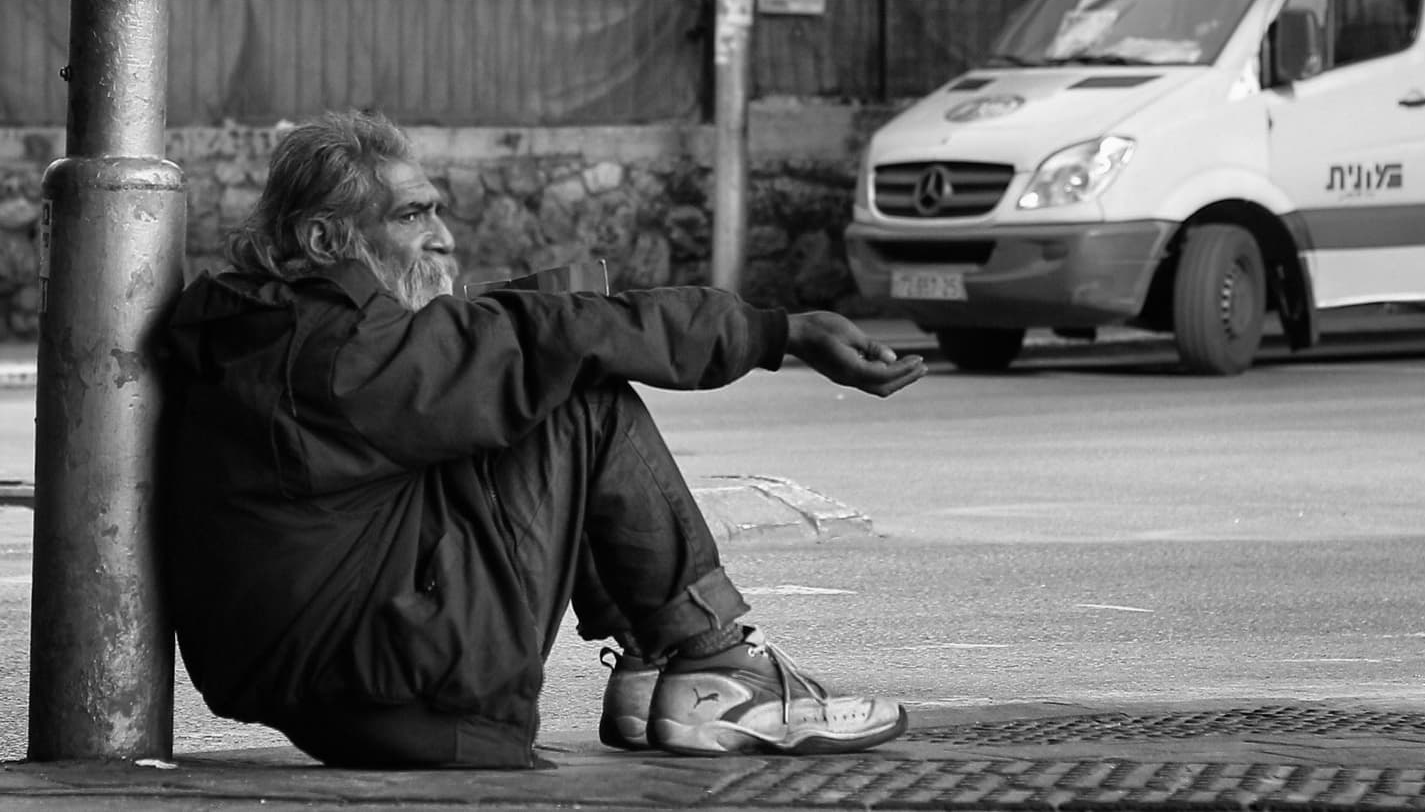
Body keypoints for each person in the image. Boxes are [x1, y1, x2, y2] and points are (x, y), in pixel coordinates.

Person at [157, 109, 927, 769]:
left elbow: (494, 356)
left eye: (436, 211)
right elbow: (553, 338)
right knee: (578, 387)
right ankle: (716, 664)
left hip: (343, 679)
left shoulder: (260, 328)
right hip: (394, 682)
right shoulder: (342, 351)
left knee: (543, 369)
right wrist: (778, 332)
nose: (443, 237)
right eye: (411, 215)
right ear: (325, 238)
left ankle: (653, 658)